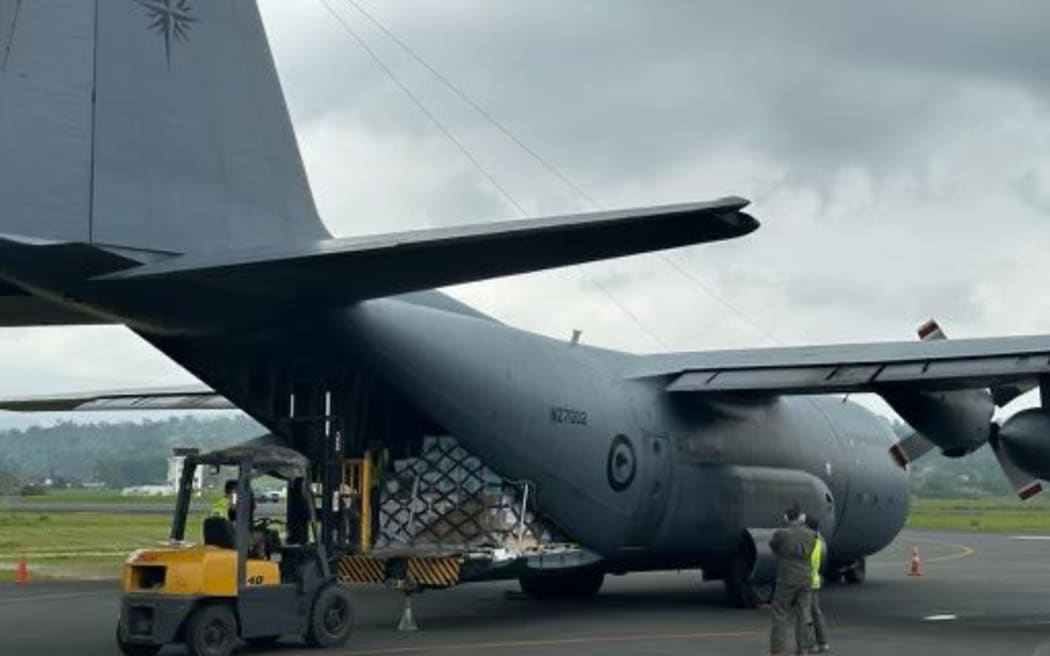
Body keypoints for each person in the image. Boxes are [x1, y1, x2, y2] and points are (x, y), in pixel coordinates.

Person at [767, 507, 816, 656]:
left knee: (780, 613)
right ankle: (803, 649)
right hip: (806, 578)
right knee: (803, 614)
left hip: (787, 578)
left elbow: (773, 546)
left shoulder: (781, 534)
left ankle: (778, 650)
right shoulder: (811, 534)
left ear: (786, 518)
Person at [799, 516, 830, 654]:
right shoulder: (818, 540)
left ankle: (811, 644)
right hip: (814, 579)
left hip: (806, 580)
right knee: (816, 612)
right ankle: (822, 642)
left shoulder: (808, 541)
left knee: (805, 614)